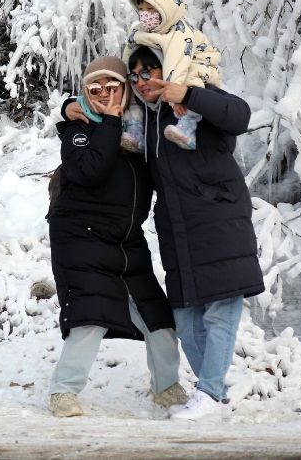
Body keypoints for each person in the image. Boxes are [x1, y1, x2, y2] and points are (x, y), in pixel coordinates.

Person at [64, 45, 265, 420]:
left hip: (219, 224)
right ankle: (215, 399)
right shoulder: (147, 121)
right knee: (186, 322)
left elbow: (239, 115)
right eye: (135, 76)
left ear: (168, 70)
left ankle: (209, 392)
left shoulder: (193, 101)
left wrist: (187, 94)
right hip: (178, 231)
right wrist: (68, 107)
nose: (142, 82)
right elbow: (100, 106)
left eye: (149, 72)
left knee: (221, 311)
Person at [47, 56, 185, 418]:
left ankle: (167, 387)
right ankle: (63, 392)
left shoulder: (139, 132)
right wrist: (106, 119)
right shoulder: (77, 132)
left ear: (125, 89)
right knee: (91, 316)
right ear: (84, 95)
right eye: (95, 90)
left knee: (158, 318)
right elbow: (90, 170)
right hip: (81, 238)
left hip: (126, 241)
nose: (104, 95)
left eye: (112, 88)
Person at [120, 0, 222, 152]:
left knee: (190, 79)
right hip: (171, 70)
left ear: (167, 8)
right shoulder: (140, 31)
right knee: (132, 88)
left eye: (151, 9)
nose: (145, 14)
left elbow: (177, 61)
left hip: (197, 62)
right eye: (141, 9)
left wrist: (176, 97)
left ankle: (187, 126)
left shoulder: (180, 31)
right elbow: (128, 53)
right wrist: (124, 81)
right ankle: (135, 130)